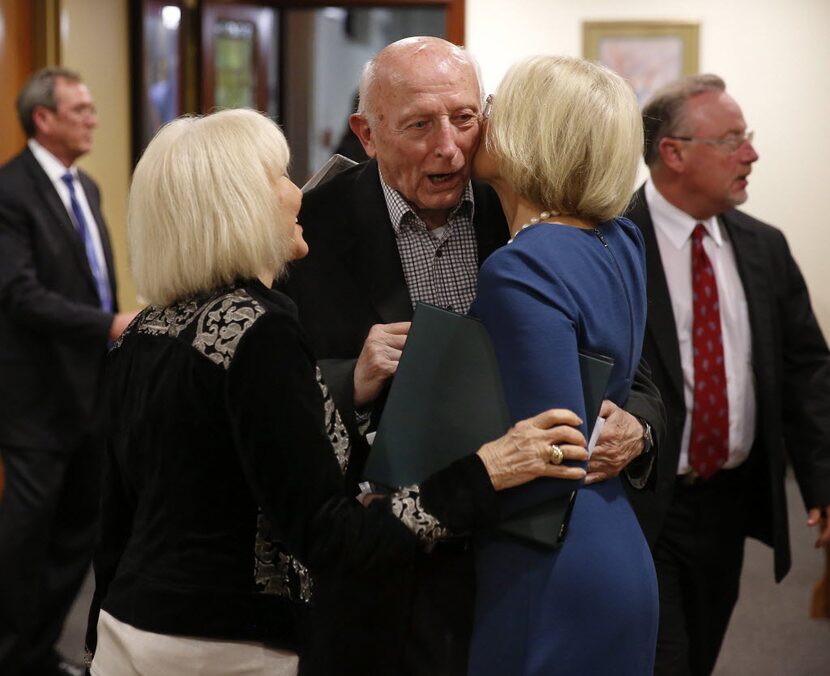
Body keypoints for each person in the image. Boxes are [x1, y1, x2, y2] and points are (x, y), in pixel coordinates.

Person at [83, 108, 590, 676]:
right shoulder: (260, 330)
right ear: (238, 205)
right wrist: (487, 470)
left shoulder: (149, 328)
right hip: (222, 647)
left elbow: (117, 519)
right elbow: (333, 540)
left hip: (125, 634)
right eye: (279, 177)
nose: (298, 193)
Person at [283, 36, 665, 675]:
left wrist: (639, 427)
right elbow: (265, 390)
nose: (449, 147)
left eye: (465, 119)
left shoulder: (526, 203)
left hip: (521, 551)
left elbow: (634, 368)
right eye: (419, 125)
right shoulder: (305, 230)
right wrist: (355, 376)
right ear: (366, 133)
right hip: (384, 574)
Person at [623, 73, 830, 676]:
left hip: (730, 501)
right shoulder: (614, 240)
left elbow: (806, 372)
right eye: (731, 139)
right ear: (674, 153)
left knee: (702, 653)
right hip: (643, 503)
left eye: (750, 136)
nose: (751, 154)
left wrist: (822, 482)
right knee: (663, 660)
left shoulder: (764, 247)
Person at [467, 55, 659, 676]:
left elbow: (546, 455)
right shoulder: (619, 238)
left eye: (497, 106)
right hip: (613, 541)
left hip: (547, 555)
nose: (485, 118)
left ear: (534, 134)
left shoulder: (521, 266)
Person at [0, 67, 135, 676]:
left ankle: (37, 652)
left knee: (80, 534)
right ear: (43, 119)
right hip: (36, 403)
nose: (93, 118)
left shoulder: (86, 188)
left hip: (92, 396)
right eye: (79, 109)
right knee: (25, 541)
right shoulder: (11, 191)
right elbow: (20, 295)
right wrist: (107, 325)